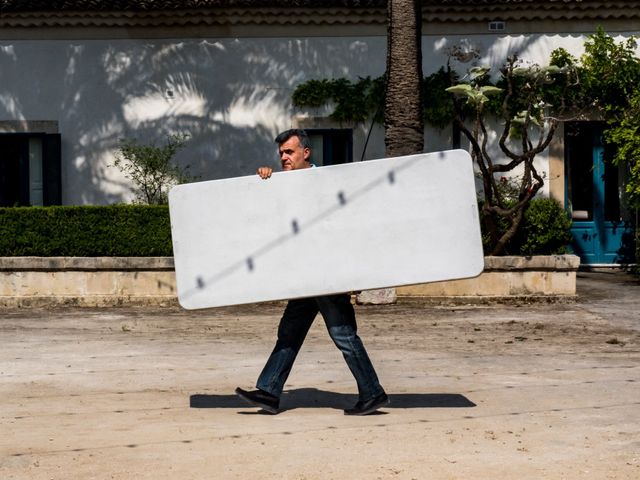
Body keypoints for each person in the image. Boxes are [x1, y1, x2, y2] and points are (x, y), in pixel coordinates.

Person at [235, 129, 388, 416]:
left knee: (343, 334)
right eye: (280, 153)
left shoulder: (328, 183)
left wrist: (353, 273)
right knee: (290, 333)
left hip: (327, 275)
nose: (283, 157)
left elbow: (348, 227)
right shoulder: (281, 184)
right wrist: (265, 183)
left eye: (289, 152)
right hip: (305, 277)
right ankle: (269, 392)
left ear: (306, 153)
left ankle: (372, 392)